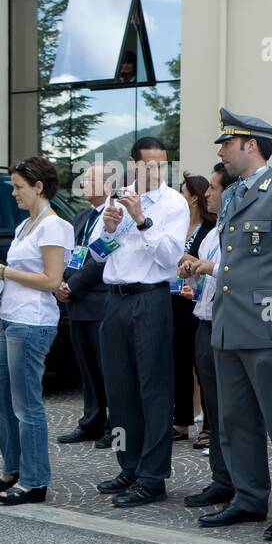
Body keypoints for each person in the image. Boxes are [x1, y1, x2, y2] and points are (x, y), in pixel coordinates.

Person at [198, 108, 272, 540]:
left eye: (227, 144)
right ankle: (248, 497)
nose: (222, 153)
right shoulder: (231, 195)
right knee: (235, 419)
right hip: (229, 323)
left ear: (250, 145)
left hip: (268, 323)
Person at [0, 157, 74, 505]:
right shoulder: (25, 226)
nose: (13, 193)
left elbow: (51, 280)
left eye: (18, 186)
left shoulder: (54, 227)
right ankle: (13, 468)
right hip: (11, 317)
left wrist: (1, 271)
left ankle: (34, 480)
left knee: (26, 404)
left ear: (38, 187)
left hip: (33, 323)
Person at [94, 137, 189, 508]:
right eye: (148, 164)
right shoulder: (116, 196)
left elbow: (170, 258)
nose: (155, 171)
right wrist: (108, 227)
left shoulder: (173, 203)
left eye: (162, 164)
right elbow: (99, 254)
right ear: (132, 165)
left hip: (150, 299)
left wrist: (141, 220)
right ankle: (128, 465)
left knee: (154, 389)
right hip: (115, 300)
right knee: (118, 392)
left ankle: (153, 476)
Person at [178, 163, 237, 510]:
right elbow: (206, 282)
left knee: (232, 412)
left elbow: (244, 273)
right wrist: (193, 272)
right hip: (204, 322)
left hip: (228, 327)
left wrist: (209, 268)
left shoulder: (238, 230)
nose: (207, 195)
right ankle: (221, 479)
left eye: (213, 188)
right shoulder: (213, 234)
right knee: (214, 410)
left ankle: (240, 482)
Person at [54, 162, 112, 449]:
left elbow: (101, 259)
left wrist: (73, 285)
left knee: (107, 367)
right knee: (87, 368)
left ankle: (114, 425)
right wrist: (62, 283)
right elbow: (73, 255)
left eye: (90, 180)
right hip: (77, 303)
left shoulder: (115, 215)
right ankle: (91, 420)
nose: (84, 184)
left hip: (100, 300)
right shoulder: (82, 217)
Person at [172, 173, 213, 443]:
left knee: (202, 364)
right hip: (174, 300)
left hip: (197, 303)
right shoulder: (176, 226)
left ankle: (208, 425)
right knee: (179, 362)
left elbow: (210, 265)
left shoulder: (208, 231)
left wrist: (190, 259)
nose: (179, 197)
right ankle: (182, 420)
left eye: (183, 192)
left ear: (195, 199)